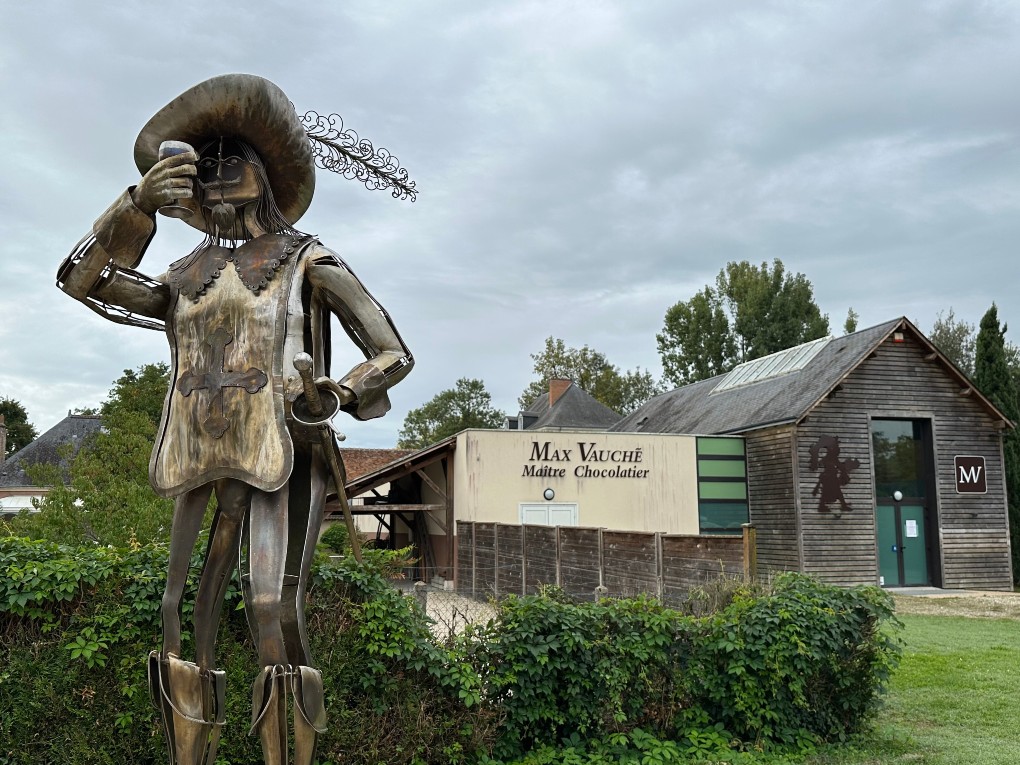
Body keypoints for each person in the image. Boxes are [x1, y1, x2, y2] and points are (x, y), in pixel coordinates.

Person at [57, 74, 414, 765]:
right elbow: (83, 280)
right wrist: (135, 206)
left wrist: (337, 393)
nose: (216, 175)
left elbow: (391, 351)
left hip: (286, 448)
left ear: (266, 174)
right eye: (205, 164)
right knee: (178, 611)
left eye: (232, 161)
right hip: (200, 452)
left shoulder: (307, 261)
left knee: (270, 607)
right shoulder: (183, 275)